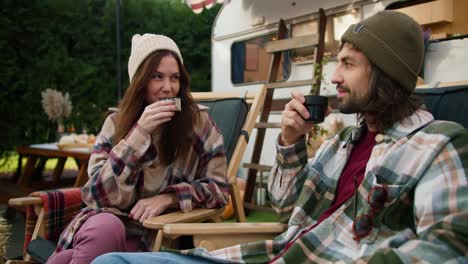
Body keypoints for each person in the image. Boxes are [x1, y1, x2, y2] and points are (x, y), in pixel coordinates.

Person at [92, 10, 468, 264]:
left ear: (385, 74)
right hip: (267, 255)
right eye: (337, 62)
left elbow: (449, 246)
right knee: (111, 261)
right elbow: (288, 212)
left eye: (348, 64)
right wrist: (289, 143)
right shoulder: (341, 144)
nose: (334, 76)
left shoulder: (437, 143)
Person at [46, 34, 230, 264]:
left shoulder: (199, 124)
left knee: (65, 260)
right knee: (106, 227)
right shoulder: (115, 123)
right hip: (106, 223)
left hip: (153, 234)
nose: (168, 88)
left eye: (175, 78)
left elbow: (220, 190)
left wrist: (169, 198)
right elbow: (95, 196)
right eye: (157, 77)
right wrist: (138, 135)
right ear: (140, 82)